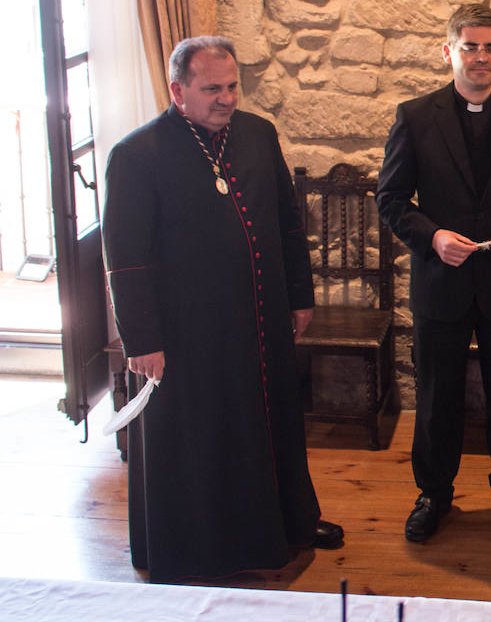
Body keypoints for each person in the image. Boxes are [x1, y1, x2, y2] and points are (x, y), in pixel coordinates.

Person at [102, 36, 343, 582]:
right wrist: (141, 341)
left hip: (259, 322)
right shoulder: (137, 155)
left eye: (233, 85)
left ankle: (285, 526)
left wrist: (300, 296)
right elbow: (126, 261)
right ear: (177, 90)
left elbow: (287, 222)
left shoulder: (257, 134)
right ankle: (201, 549)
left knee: (270, 425)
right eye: (212, 88)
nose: (227, 98)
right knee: (202, 439)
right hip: (186, 337)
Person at [376, 3, 491, 542]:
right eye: (470, 47)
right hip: (442, 283)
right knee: (437, 394)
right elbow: (390, 199)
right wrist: (432, 237)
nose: (480, 57)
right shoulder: (414, 116)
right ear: (449, 51)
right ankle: (433, 492)